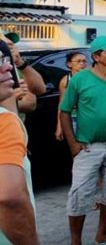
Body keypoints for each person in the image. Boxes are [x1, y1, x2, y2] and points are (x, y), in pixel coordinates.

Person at [59, 35, 106, 245]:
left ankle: (102, 236)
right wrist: (73, 144)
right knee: (79, 194)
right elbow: (65, 111)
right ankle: (76, 241)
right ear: (96, 56)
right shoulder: (80, 79)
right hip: (88, 147)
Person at [0, 42, 39, 244]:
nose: (7, 66)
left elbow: (32, 99)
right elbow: (10, 198)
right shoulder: (4, 121)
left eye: (5, 59)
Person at [56, 51, 88, 141]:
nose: (82, 64)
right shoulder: (65, 81)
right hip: (72, 119)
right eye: (78, 61)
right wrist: (59, 126)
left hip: (87, 117)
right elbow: (62, 104)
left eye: (84, 61)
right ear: (69, 64)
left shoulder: (89, 78)